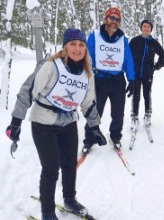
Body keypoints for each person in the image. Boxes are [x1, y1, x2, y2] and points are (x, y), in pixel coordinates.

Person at [5, 28, 107, 220]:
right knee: (51, 168)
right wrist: (16, 122)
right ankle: (48, 212)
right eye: (73, 44)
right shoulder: (51, 65)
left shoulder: (87, 72)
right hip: (43, 122)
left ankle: (70, 199)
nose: (77, 49)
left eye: (81, 45)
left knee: (69, 164)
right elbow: (28, 91)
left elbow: (88, 103)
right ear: (65, 46)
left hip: (68, 122)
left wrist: (95, 127)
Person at [82, 6, 135, 153]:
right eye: (112, 18)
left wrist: (131, 79)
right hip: (99, 80)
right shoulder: (95, 35)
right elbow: (87, 56)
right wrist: (85, 76)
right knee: (95, 111)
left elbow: (128, 59)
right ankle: (90, 139)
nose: (115, 22)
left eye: (117, 19)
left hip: (117, 80)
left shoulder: (122, 39)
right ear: (106, 19)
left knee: (118, 112)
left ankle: (115, 136)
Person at [129, 19, 164, 128]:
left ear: (151, 29)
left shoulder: (153, 43)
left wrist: (155, 67)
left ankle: (147, 114)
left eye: (148, 27)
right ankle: (134, 116)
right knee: (136, 95)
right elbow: (128, 56)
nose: (146, 28)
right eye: (144, 26)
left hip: (147, 74)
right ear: (141, 28)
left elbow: (162, 55)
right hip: (136, 74)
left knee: (146, 94)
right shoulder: (134, 41)